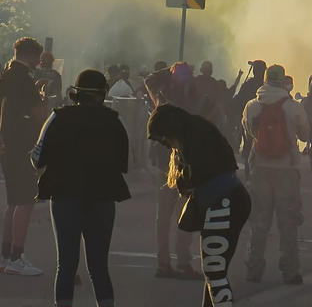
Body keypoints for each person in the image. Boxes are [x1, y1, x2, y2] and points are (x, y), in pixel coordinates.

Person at [30, 69, 130, 307]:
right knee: (98, 267)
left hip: (65, 197)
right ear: (102, 93)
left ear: (76, 92)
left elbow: (37, 158)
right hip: (103, 198)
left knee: (66, 265)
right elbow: (126, 164)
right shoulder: (114, 120)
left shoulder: (57, 117)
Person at [147, 104, 251, 307]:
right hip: (230, 199)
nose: (166, 145)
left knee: (214, 273)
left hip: (221, 204)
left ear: (170, 130)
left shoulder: (193, 141)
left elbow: (195, 178)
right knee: (214, 273)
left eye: (164, 139)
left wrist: (184, 180)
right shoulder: (199, 130)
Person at [242, 64, 310, 284]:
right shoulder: (293, 106)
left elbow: (248, 132)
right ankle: (291, 270)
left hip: (260, 168)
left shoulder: (252, 105)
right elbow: (305, 134)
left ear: (265, 79)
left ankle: (254, 268)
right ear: (283, 81)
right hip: (287, 170)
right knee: (288, 222)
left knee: (259, 222)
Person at [145, 62, 204, 279]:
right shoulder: (194, 99)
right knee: (185, 213)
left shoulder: (162, 98)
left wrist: (167, 71)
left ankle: (163, 263)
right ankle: (183, 262)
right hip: (186, 161)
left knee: (164, 216)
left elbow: (148, 81)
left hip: (164, 160)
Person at [0, 37, 47, 276]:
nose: (39, 62)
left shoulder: (5, 74)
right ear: (30, 55)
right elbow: (39, 114)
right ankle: (16, 257)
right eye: (37, 57)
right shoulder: (25, 79)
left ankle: (5, 255)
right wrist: (42, 97)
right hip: (22, 146)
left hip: (7, 146)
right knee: (26, 201)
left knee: (13, 202)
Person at [232, 60, 266, 176]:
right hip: (264, 121)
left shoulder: (248, 84)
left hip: (248, 120)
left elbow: (239, 100)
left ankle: (248, 174)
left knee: (248, 146)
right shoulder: (266, 86)